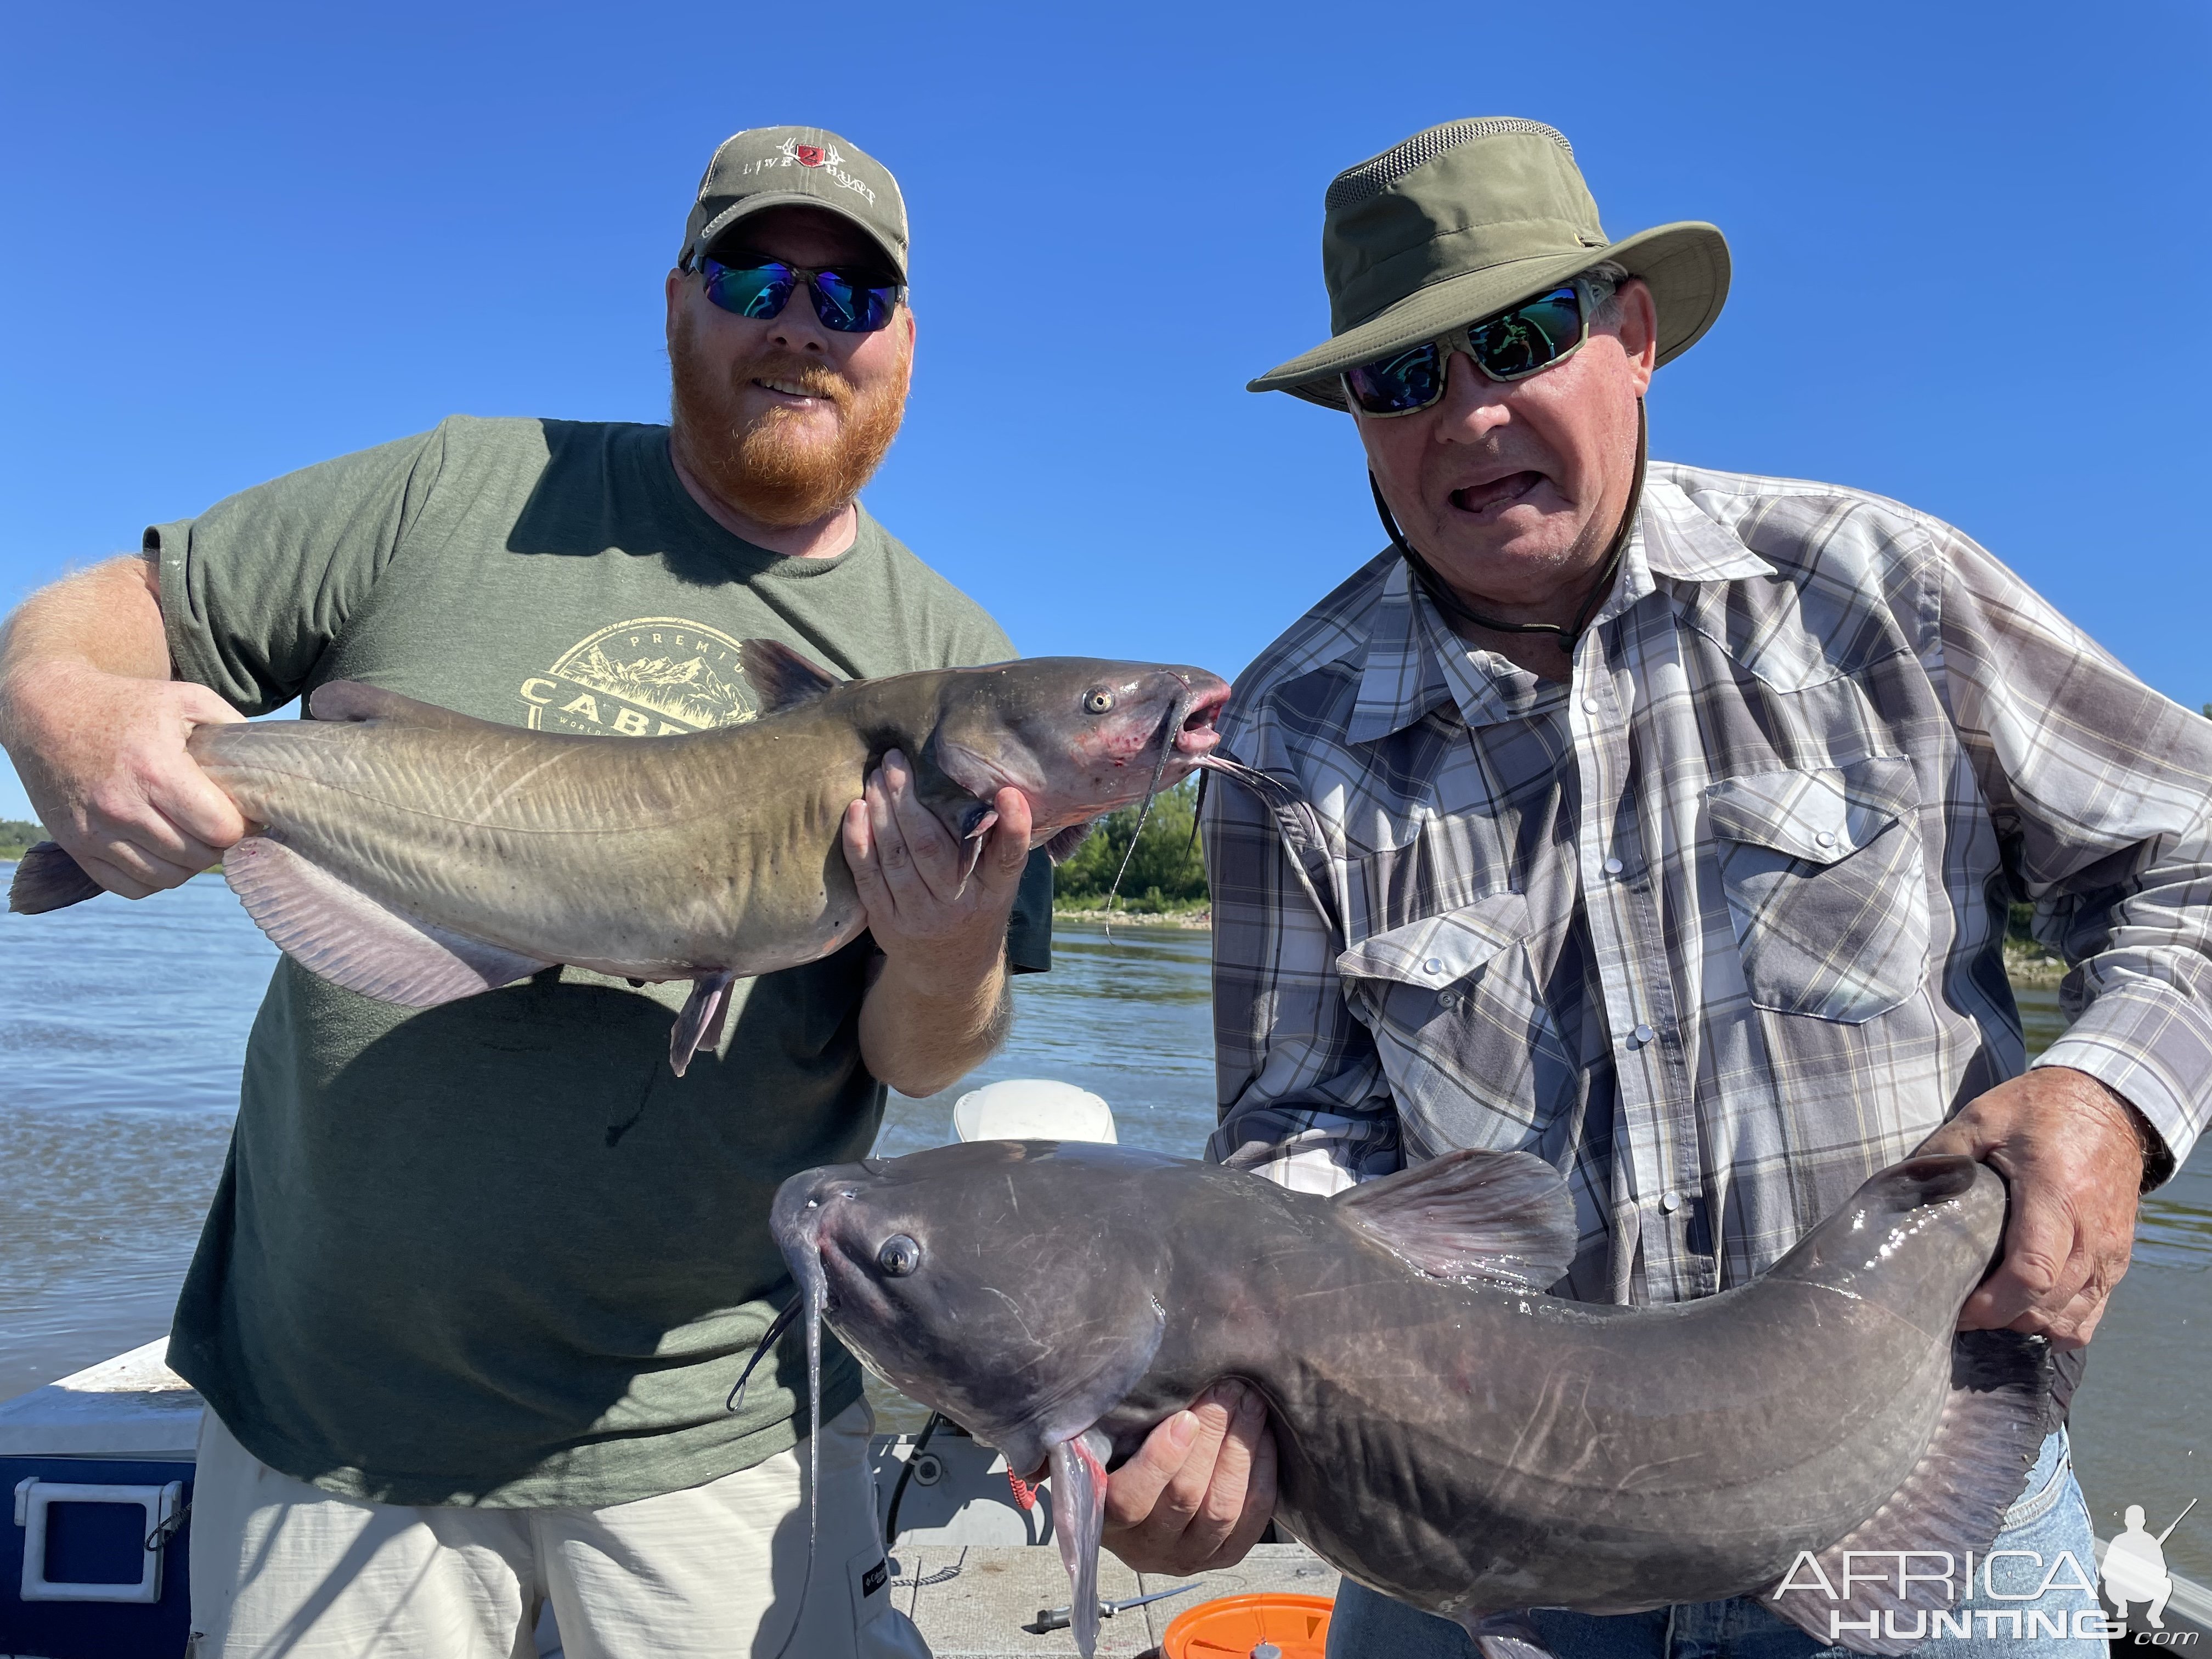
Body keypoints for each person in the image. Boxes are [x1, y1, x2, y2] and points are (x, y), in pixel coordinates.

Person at [1098, 117, 2210, 1658]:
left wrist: (2111, 1098)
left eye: (1516, 340)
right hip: (1483, 1546)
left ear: (1630, 337)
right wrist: (1243, 1371)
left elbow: (2189, 850)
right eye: (1402, 376)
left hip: (1919, 1496)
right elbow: (1301, 1123)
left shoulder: (1880, 588)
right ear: (1356, 418)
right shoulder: (1286, 738)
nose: (1468, 411)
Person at [0, 125, 1052, 1658]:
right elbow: (110, 608)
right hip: (335, 1414)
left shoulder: (957, 664)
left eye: (852, 297)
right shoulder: (456, 489)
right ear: (679, 297)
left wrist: (948, 950)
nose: (801, 326)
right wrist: (64, 710)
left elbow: (925, 1056)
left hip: (725, 1431)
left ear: (903, 341)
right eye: (757, 274)